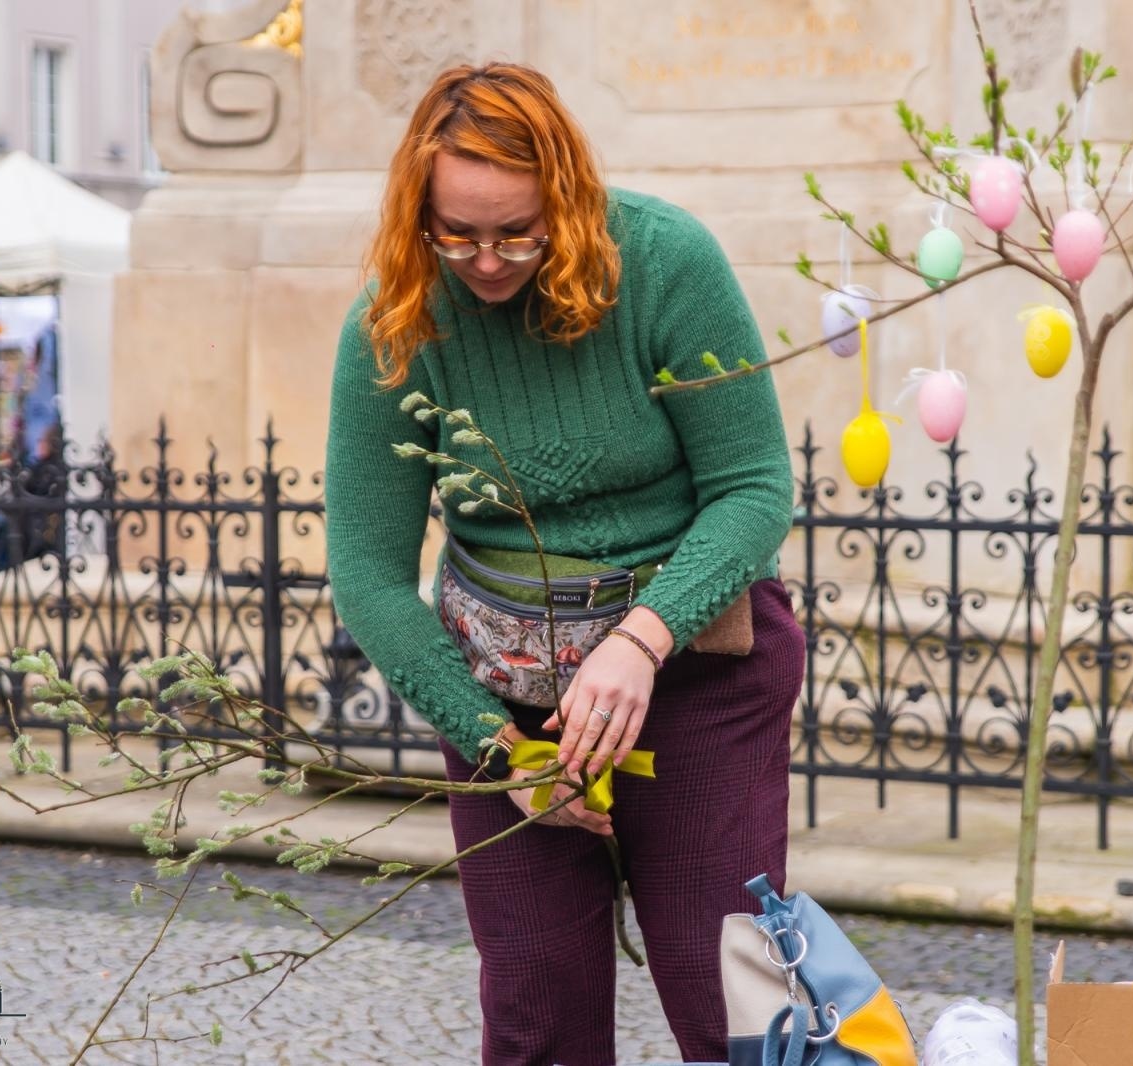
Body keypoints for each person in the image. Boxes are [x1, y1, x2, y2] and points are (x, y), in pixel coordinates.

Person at [324, 62, 804, 1065]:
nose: (487, 260)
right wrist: (499, 751)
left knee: (732, 998)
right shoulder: (396, 320)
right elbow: (368, 573)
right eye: (455, 232)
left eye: (517, 231)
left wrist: (638, 642)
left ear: (568, 200)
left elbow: (754, 488)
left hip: (693, 673)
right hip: (503, 699)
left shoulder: (666, 263)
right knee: (537, 1011)